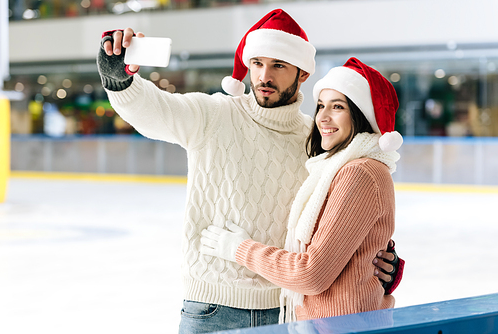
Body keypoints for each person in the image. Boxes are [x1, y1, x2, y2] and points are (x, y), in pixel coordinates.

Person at [96, 9, 403, 333]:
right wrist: (120, 82)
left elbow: (341, 226)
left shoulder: (317, 141)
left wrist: (380, 266)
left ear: (302, 74)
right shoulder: (214, 114)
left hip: (287, 310)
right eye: (257, 63)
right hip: (213, 310)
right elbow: (153, 111)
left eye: (278, 65)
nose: (263, 76)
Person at [200, 57, 403, 323]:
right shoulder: (335, 167)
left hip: (345, 326)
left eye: (338, 106)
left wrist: (239, 249)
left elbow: (312, 274)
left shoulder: (359, 172)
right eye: (320, 106)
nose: (323, 117)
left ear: (360, 115)